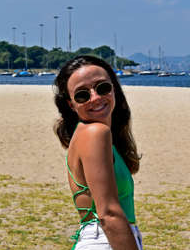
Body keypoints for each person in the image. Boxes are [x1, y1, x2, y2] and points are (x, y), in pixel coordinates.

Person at [53, 55, 142, 250]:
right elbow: (108, 214)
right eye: (82, 95)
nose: (96, 97)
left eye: (103, 88)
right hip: (105, 240)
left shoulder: (93, 134)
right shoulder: (95, 133)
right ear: (71, 104)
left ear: (114, 89)